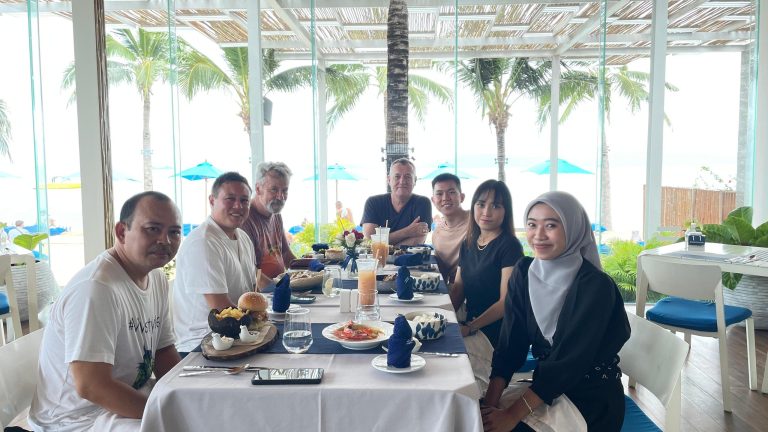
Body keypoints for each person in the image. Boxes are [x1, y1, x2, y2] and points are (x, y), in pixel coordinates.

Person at [29, 192, 182, 432]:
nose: (165, 240)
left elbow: (163, 352)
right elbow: (92, 386)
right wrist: (168, 415)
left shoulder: (157, 277)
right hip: (77, 421)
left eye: (174, 232)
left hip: (125, 402)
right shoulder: (97, 288)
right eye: (152, 229)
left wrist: (187, 395)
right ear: (121, 232)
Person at [482, 191, 630, 432]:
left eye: (551, 225)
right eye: (532, 225)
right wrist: (489, 405)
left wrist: (510, 416)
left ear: (573, 229)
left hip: (590, 399)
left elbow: (568, 363)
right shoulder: (525, 272)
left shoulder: (595, 286)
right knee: (473, 419)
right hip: (545, 388)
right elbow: (511, 345)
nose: (539, 235)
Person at [449, 179, 524, 393]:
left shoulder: (509, 246)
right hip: (470, 323)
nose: (486, 212)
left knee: (449, 365)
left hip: (496, 333)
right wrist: (440, 317)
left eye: (496, 206)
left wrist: (470, 327)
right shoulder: (469, 242)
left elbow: (504, 303)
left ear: (506, 212)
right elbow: (458, 288)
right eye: (481, 204)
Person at [173, 172, 257, 353]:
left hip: (237, 337)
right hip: (202, 345)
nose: (238, 206)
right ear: (212, 200)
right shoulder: (203, 242)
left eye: (244, 200)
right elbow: (222, 310)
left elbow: (250, 292)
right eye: (230, 199)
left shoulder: (242, 237)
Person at [241, 161, 296, 287]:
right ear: (258, 189)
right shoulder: (246, 219)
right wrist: (277, 290)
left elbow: (286, 254)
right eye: (274, 189)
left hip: (279, 286)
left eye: (285, 190)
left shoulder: (275, 214)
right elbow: (250, 271)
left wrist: (310, 270)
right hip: (262, 294)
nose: (280, 197)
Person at [361, 158, 432, 247]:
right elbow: (370, 240)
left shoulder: (422, 203)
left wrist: (384, 245)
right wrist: (408, 231)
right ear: (389, 180)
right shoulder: (373, 202)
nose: (402, 181)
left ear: (415, 181)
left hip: (408, 257)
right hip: (377, 256)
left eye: (408, 177)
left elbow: (418, 240)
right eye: (397, 176)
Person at [430, 173, 469, 284]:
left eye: (451, 192)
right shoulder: (437, 233)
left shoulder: (477, 222)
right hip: (453, 289)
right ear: (433, 200)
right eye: (439, 194)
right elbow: (442, 273)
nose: (445, 198)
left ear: (462, 197)